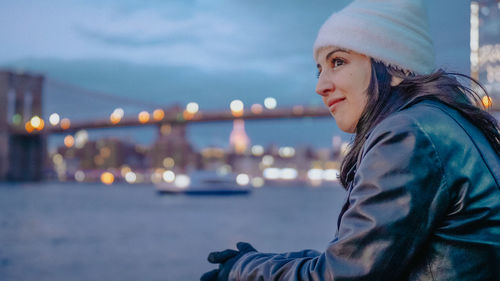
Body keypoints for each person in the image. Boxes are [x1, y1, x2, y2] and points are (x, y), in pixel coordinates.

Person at [201, 0, 500, 280]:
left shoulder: (406, 135)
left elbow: (342, 274)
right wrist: (264, 262)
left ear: (393, 66)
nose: (320, 86)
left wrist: (244, 270)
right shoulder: (439, 122)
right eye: (319, 69)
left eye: (338, 62)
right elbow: (359, 258)